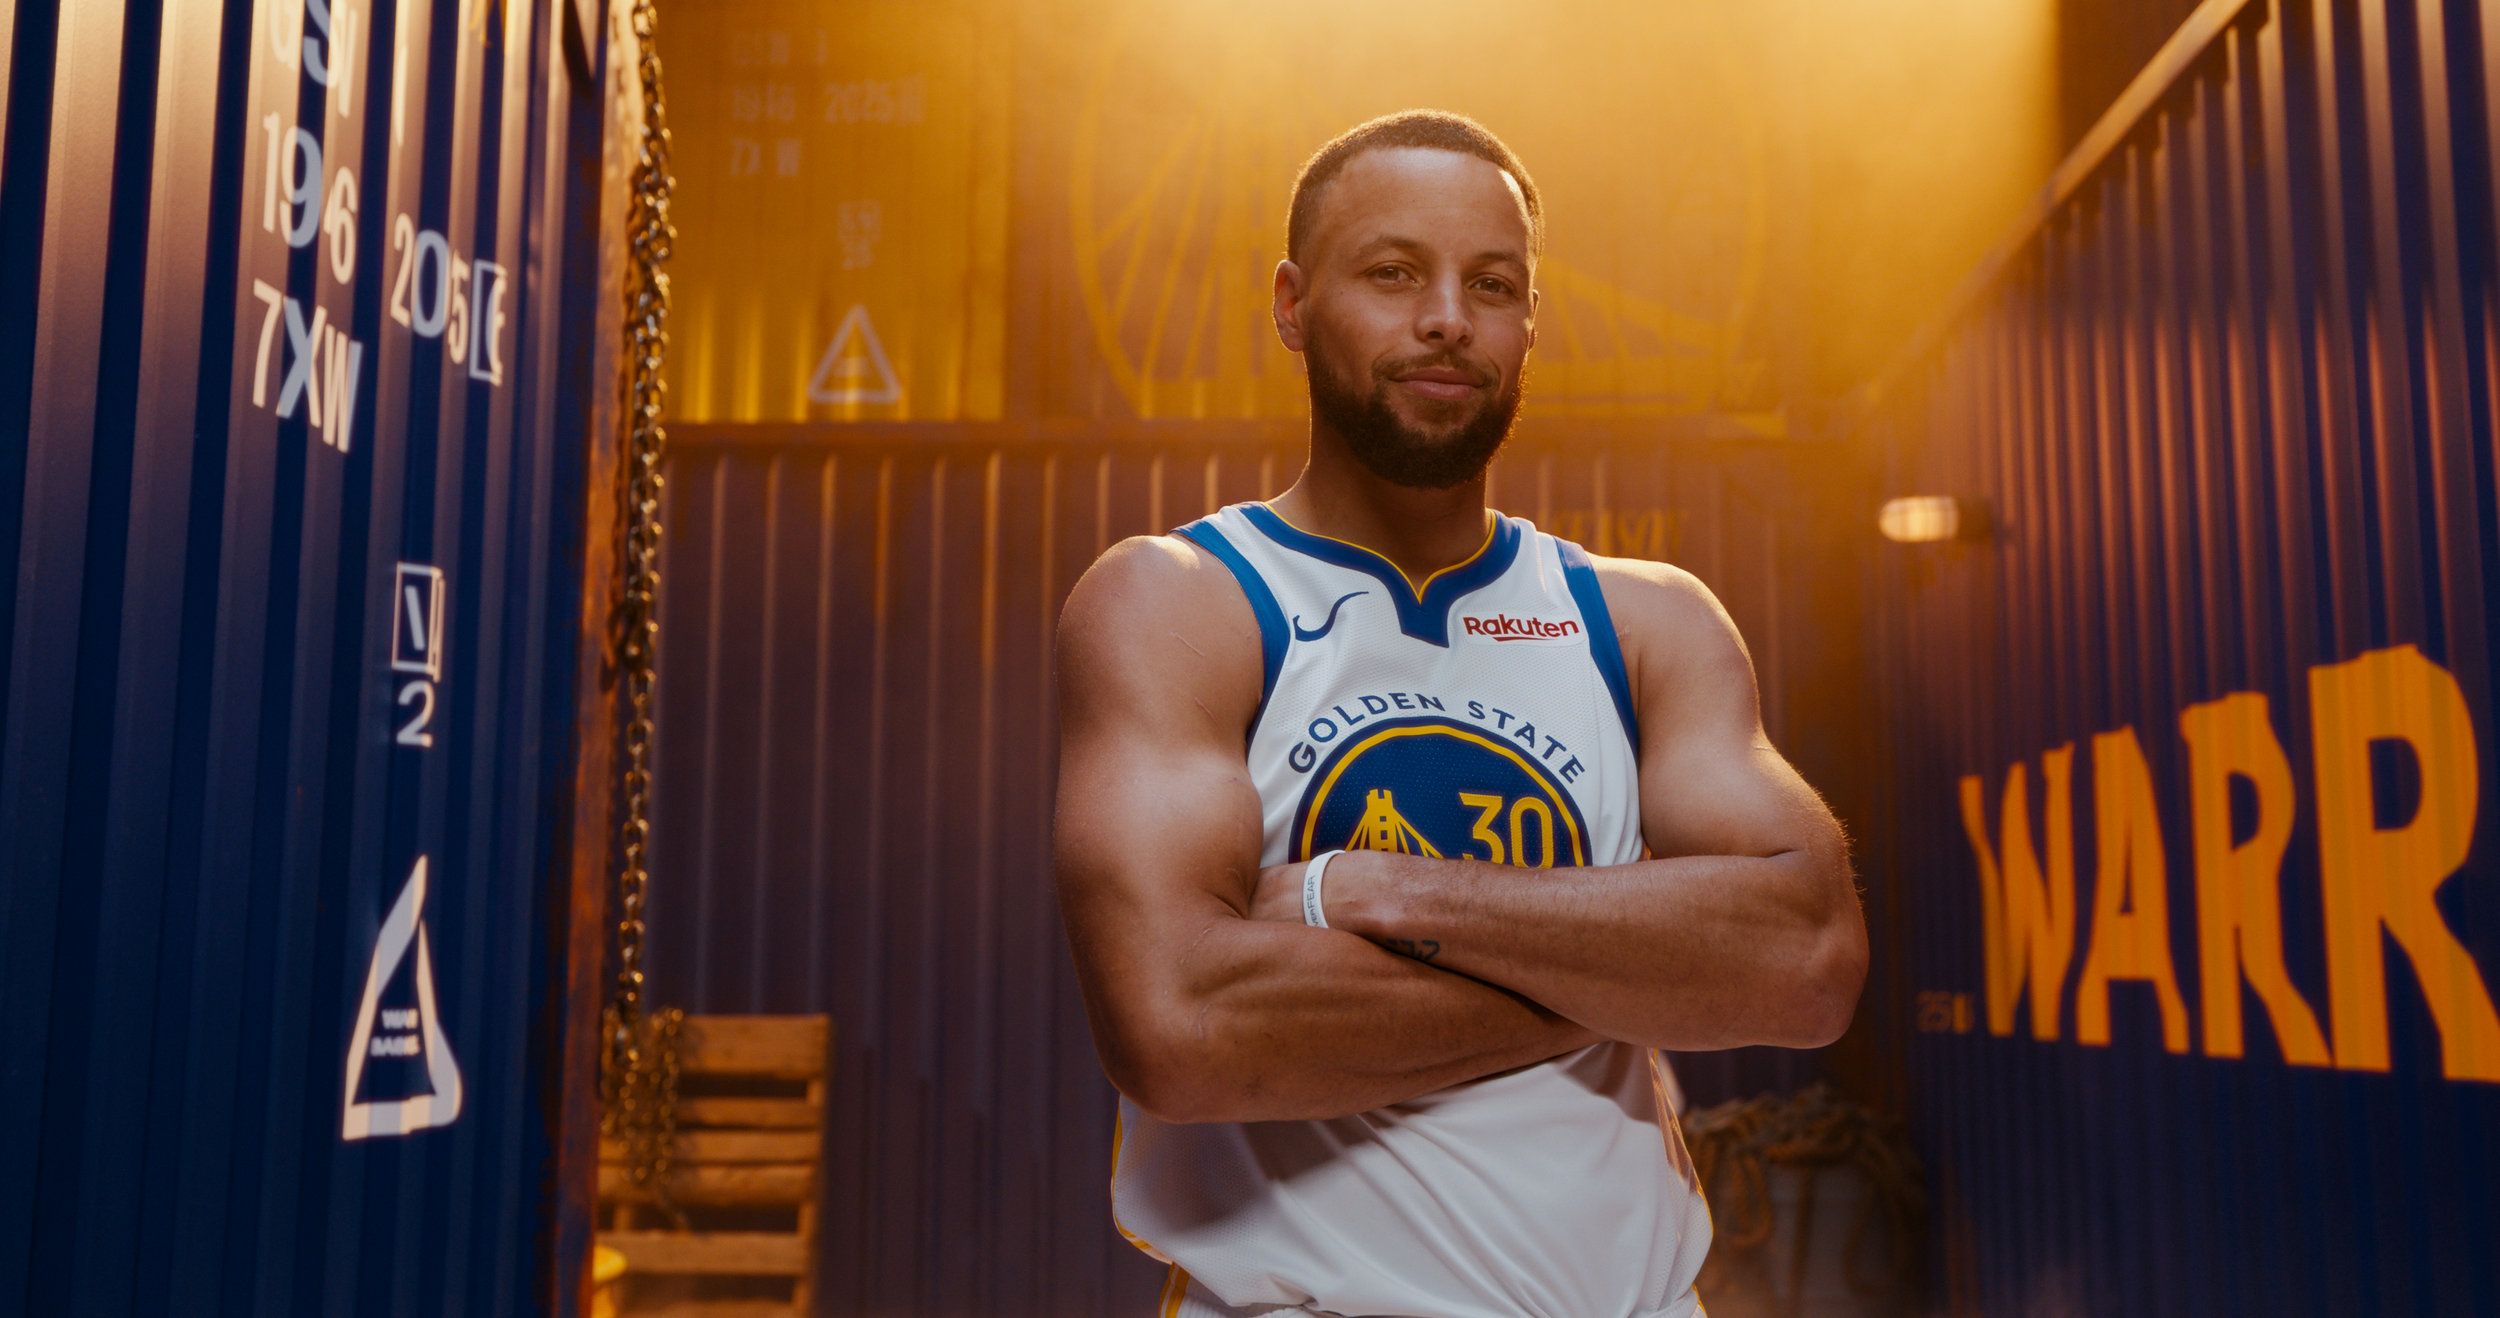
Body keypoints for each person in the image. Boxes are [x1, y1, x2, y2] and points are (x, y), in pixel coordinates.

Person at [1052, 110, 1865, 1318]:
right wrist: (1630, 974)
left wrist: (1376, 893)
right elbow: (1181, 1026)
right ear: (1290, 303)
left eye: (1493, 284)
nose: (1447, 317)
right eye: (1393, 273)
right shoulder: (1184, 604)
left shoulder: (1641, 621)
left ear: (1529, 320)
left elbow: (1805, 957)